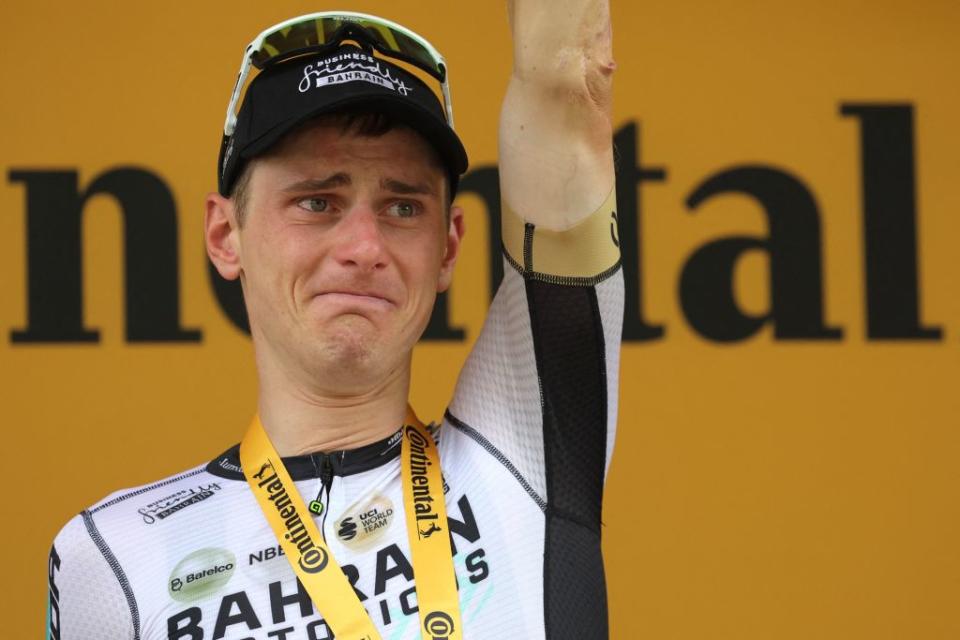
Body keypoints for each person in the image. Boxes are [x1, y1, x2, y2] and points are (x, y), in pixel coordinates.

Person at [46, 2, 621, 638]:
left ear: (449, 246)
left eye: (403, 207)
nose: (365, 247)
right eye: (317, 201)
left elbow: (565, 87)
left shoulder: (523, 450)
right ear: (224, 233)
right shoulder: (110, 558)